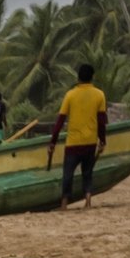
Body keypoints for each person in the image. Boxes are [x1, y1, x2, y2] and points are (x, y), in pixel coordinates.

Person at [47, 62, 108, 211]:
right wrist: (103, 140)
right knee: (87, 173)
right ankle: (87, 201)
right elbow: (101, 122)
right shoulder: (99, 95)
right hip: (90, 142)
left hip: (73, 143)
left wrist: (52, 142)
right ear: (92, 77)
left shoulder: (70, 95)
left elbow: (60, 121)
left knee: (68, 174)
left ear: (78, 77)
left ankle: (64, 203)